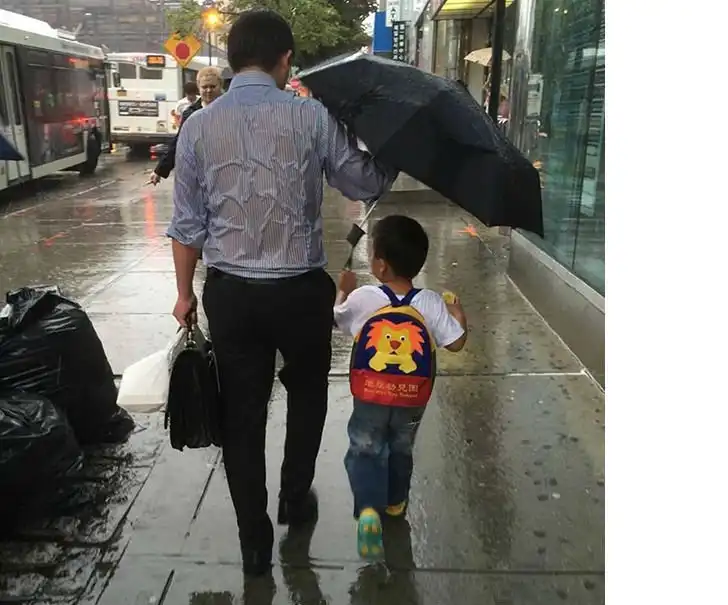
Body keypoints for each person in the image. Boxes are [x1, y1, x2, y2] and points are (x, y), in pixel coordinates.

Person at [166, 9, 397, 578]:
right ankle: (294, 495)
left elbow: (187, 225)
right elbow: (364, 181)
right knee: (307, 395)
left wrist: (183, 294)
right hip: (300, 294)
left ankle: (253, 541)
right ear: (285, 59)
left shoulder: (197, 126)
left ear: (231, 58)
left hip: (232, 296)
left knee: (241, 414)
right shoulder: (312, 117)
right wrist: (387, 147)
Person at [333, 215, 468, 559]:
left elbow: (337, 319)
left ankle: (368, 508)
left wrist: (343, 289)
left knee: (365, 446)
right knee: (401, 446)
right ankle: (395, 503)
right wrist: (457, 313)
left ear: (380, 265)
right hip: (411, 398)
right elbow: (456, 343)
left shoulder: (364, 297)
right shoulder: (431, 302)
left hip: (371, 393)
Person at [148, 67, 223, 185]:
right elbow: (179, 143)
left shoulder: (231, 110)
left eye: (213, 86)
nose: (208, 90)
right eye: (204, 87)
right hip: (198, 175)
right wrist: (159, 171)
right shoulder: (190, 114)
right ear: (199, 87)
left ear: (220, 86)